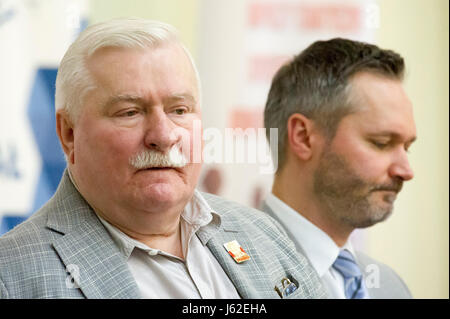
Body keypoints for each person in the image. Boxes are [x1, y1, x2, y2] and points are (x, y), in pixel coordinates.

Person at [0, 18, 325, 299]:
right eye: (129, 112)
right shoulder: (12, 276)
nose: (164, 134)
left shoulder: (262, 232)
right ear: (69, 133)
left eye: (179, 110)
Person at [262, 38, 416, 299]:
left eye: (407, 147)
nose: (406, 170)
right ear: (303, 137)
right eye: (381, 143)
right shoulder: (219, 276)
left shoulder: (391, 288)